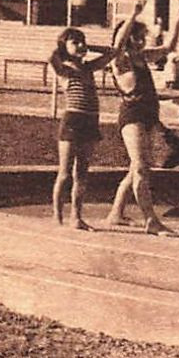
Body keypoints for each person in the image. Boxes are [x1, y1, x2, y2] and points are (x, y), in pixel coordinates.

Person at [104, 0, 179, 235]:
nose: (141, 41)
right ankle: (151, 221)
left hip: (149, 115)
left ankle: (115, 214)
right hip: (133, 117)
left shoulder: (142, 57)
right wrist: (133, 14)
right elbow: (119, 43)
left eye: (143, 36)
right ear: (129, 36)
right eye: (137, 36)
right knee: (141, 168)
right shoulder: (120, 60)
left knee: (136, 168)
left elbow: (168, 47)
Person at [48, 27, 117, 230]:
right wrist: (63, 49)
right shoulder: (64, 70)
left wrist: (89, 47)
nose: (80, 45)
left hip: (91, 121)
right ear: (64, 46)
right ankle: (57, 215)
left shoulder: (88, 68)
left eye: (82, 41)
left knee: (82, 173)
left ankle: (76, 217)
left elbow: (113, 52)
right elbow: (50, 57)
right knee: (65, 172)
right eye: (75, 42)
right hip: (72, 120)